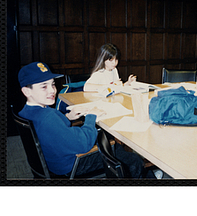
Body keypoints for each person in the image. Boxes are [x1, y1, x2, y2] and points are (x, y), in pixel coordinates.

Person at [17, 61, 153, 178]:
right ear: (26, 91)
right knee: (131, 159)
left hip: (51, 161)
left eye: (52, 84)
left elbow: (52, 130)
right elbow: (84, 144)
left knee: (115, 147)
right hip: (71, 165)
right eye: (43, 87)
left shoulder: (26, 112)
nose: (52, 90)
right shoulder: (47, 117)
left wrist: (67, 117)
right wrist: (91, 116)